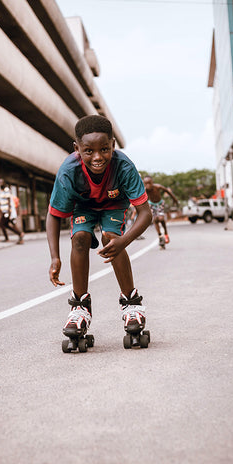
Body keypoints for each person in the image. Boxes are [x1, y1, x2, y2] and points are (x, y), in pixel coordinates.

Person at [46, 115, 152, 345]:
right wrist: (55, 257)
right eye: (88, 151)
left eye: (104, 149)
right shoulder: (68, 171)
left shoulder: (123, 167)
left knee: (110, 237)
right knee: (80, 238)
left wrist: (124, 241)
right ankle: (80, 307)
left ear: (113, 145)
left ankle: (131, 303)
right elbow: (54, 216)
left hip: (114, 205)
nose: (97, 157)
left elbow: (145, 213)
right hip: (83, 207)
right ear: (77, 149)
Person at [143, 176, 178, 245]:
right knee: (155, 219)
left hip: (159, 204)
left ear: (152, 182)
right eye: (146, 184)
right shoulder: (145, 190)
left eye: (149, 183)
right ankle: (160, 236)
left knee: (161, 219)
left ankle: (166, 233)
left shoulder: (157, 187)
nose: (148, 185)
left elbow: (168, 191)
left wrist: (175, 199)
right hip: (152, 204)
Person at [0, 179, 24, 244]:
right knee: (5, 225)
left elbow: (8, 201)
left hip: (7, 212)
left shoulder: (6, 190)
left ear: (4, 183)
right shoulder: (2, 191)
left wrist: (8, 212)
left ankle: (13, 236)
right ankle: (19, 234)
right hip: (4, 211)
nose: (0, 184)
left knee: (1, 224)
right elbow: (2, 203)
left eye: (1, 182)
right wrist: (0, 211)